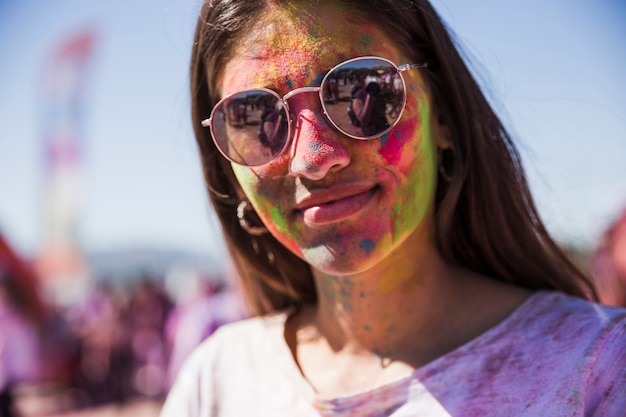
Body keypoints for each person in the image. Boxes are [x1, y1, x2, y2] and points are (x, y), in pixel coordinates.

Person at [161, 1, 626, 415]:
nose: (313, 159)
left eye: (361, 90)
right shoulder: (217, 382)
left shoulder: (597, 367)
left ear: (442, 113)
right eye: (256, 118)